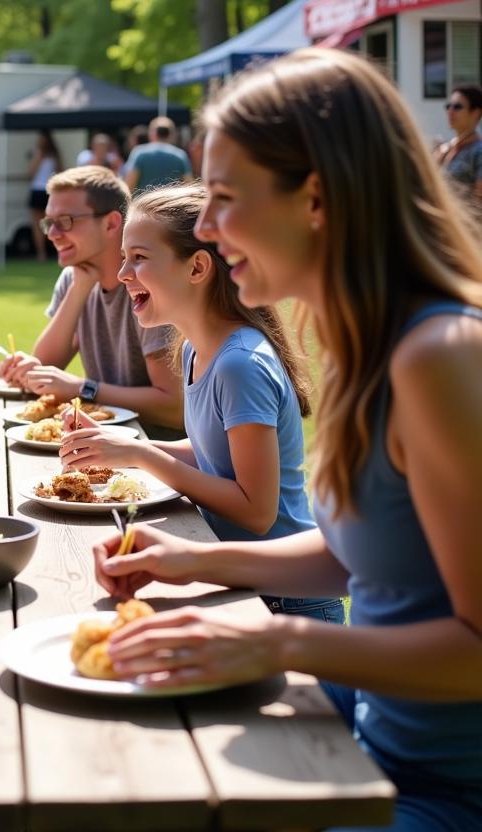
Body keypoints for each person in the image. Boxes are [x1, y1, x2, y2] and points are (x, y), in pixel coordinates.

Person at [93, 48, 482, 831]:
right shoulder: (367, 343)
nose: (204, 226)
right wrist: (191, 560)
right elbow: (358, 554)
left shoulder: (441, 356)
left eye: (226, 197)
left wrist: (276, 645)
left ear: (316, 200)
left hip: (439, 792)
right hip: (375, 736)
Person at [64, 184, 342, 623]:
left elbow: (256, 510)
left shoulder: (240, 365)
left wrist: (140, 453)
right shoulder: (194, 350)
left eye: (138, 258)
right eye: (123, 259)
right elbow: (212, 457)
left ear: (196, 267)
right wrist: (119, 445)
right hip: (240, 584)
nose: (122, 274)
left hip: (289, 603)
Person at [0, 166, 185, 440]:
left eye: (65, 221)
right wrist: (79, 290)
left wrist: (83, 389)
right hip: (105, 443)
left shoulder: (146, 286)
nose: (52, 234)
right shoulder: (75, 277)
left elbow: (173, 407)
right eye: (48, 223)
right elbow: (47, 366)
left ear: (111, 223)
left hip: (156, 450)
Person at [435, 83, 482, 209]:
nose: (450, 111)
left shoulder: (479, 151)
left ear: (476, 113)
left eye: (457, 107)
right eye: (448, 106)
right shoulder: (444, 148)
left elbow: (479, 205)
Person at [123, 117, 192, 194]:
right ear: (172, 135)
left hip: (143, 204)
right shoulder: (180, 156)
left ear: (152, 134)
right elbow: (188, 186)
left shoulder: (139, 153)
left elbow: (129, 185)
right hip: (171, 204)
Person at [27, 130, 62, 262]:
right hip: (39, 190)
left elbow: (60, 173)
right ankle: (41, 253)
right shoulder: (43, 154)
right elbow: (31, 173)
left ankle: (50, 251)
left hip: (47, 191)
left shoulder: (53, 156)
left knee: (50, 223)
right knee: (39, 224)